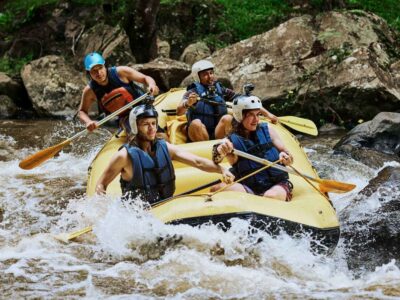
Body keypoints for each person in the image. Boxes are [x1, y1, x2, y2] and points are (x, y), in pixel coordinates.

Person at [96, 104, 235, 203]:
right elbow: (101, 184)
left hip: (166, 206)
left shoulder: (165, 147)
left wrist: (221, 169)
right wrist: (102, 210)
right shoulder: (124, 156)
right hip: (138, 215)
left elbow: (197, 162)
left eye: (153, 123)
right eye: (146, 124)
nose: (152, 129)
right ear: (135, 127)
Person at [211, 95, 294, 201]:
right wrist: (219, 150)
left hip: (277, 184)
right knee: (216, 189)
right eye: (251, 115)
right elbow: (216, 157)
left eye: (258, 114)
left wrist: (287, 158)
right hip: (249, 188)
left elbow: (289, 157)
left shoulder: (267, 129)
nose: (256, 119)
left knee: (270, 196)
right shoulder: (230, 141)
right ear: (239, 115)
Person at [176, 59, 278, 142]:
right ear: (197, 77)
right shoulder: (192, 92)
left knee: (228, 118)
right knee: (196, 123)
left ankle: (225, 146)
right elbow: (178, 111)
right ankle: (206, 149)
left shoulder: (220, 90)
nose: (210, 77)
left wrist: (268, 115)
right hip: (199, 132)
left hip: (217, 131)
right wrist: (187, 103)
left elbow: (246, 100)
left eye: (211, 73)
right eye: (205, 74)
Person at [78, 52, 160, 134]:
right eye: (94, 70)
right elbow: (82, 111)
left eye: (100, 68)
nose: (99, 73)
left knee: (152, 127)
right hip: (123, 117)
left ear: (105, 66)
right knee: (137, 132)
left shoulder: (121, 72)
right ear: (89, 72)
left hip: (142, 105)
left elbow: (145, 78)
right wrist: (88, 122)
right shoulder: (89, 91)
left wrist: (152, 85)